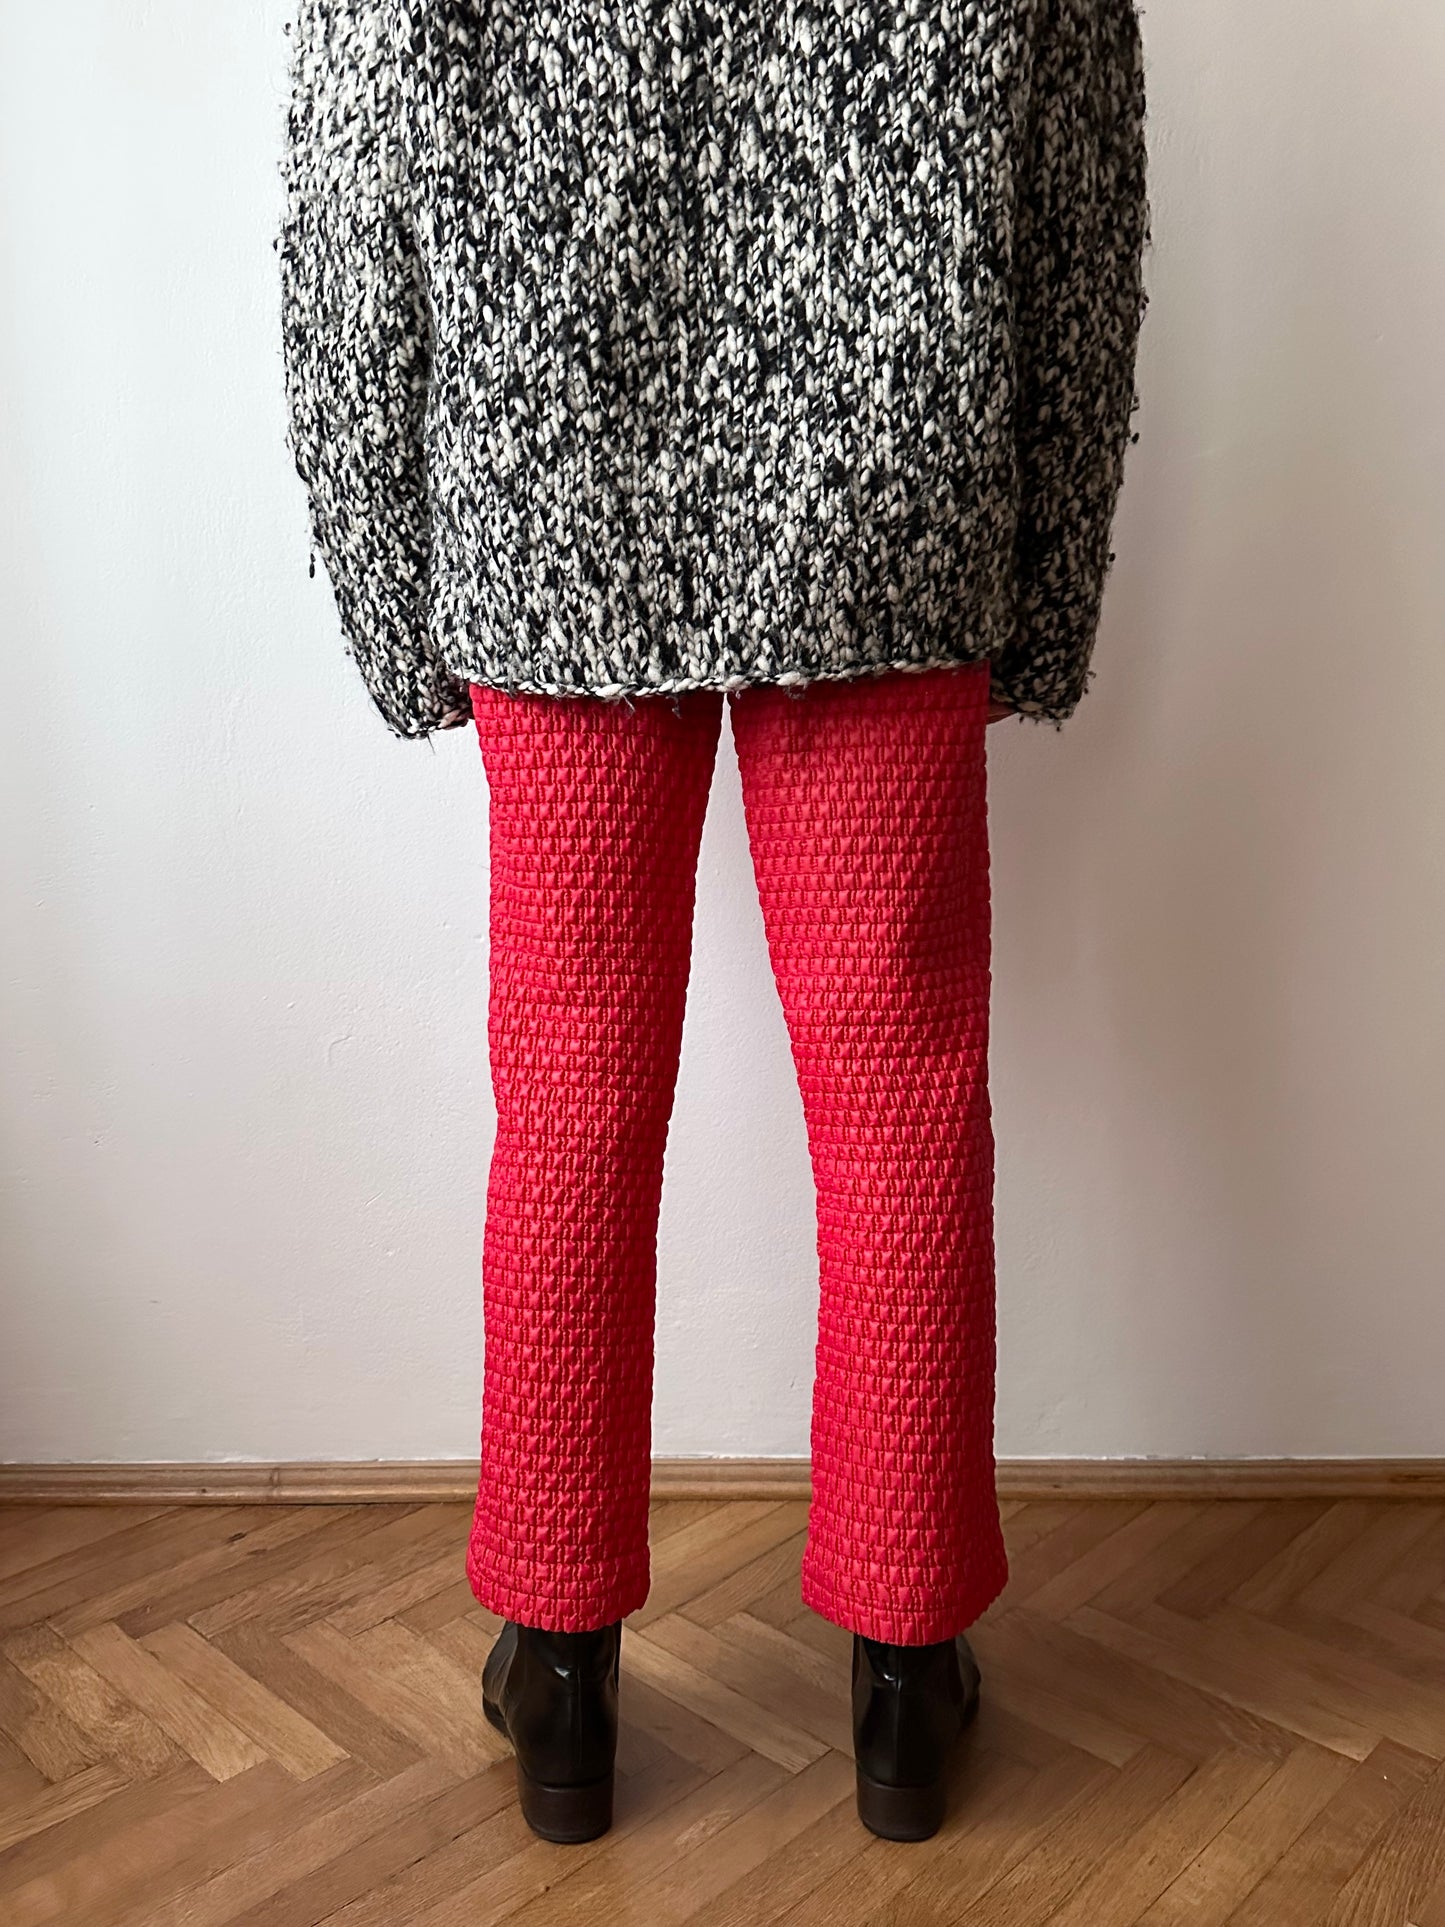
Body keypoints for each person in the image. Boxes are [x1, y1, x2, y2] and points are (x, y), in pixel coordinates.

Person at [278, 0, 1149, 1845]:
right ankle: (904, 1673)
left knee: (570, 1092)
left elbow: (352, 211)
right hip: (893, 517)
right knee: (903, 1090)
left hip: (547, 514)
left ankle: (559, 1662)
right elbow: (1079, 226)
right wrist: (1043, 591)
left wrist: (388, 592)